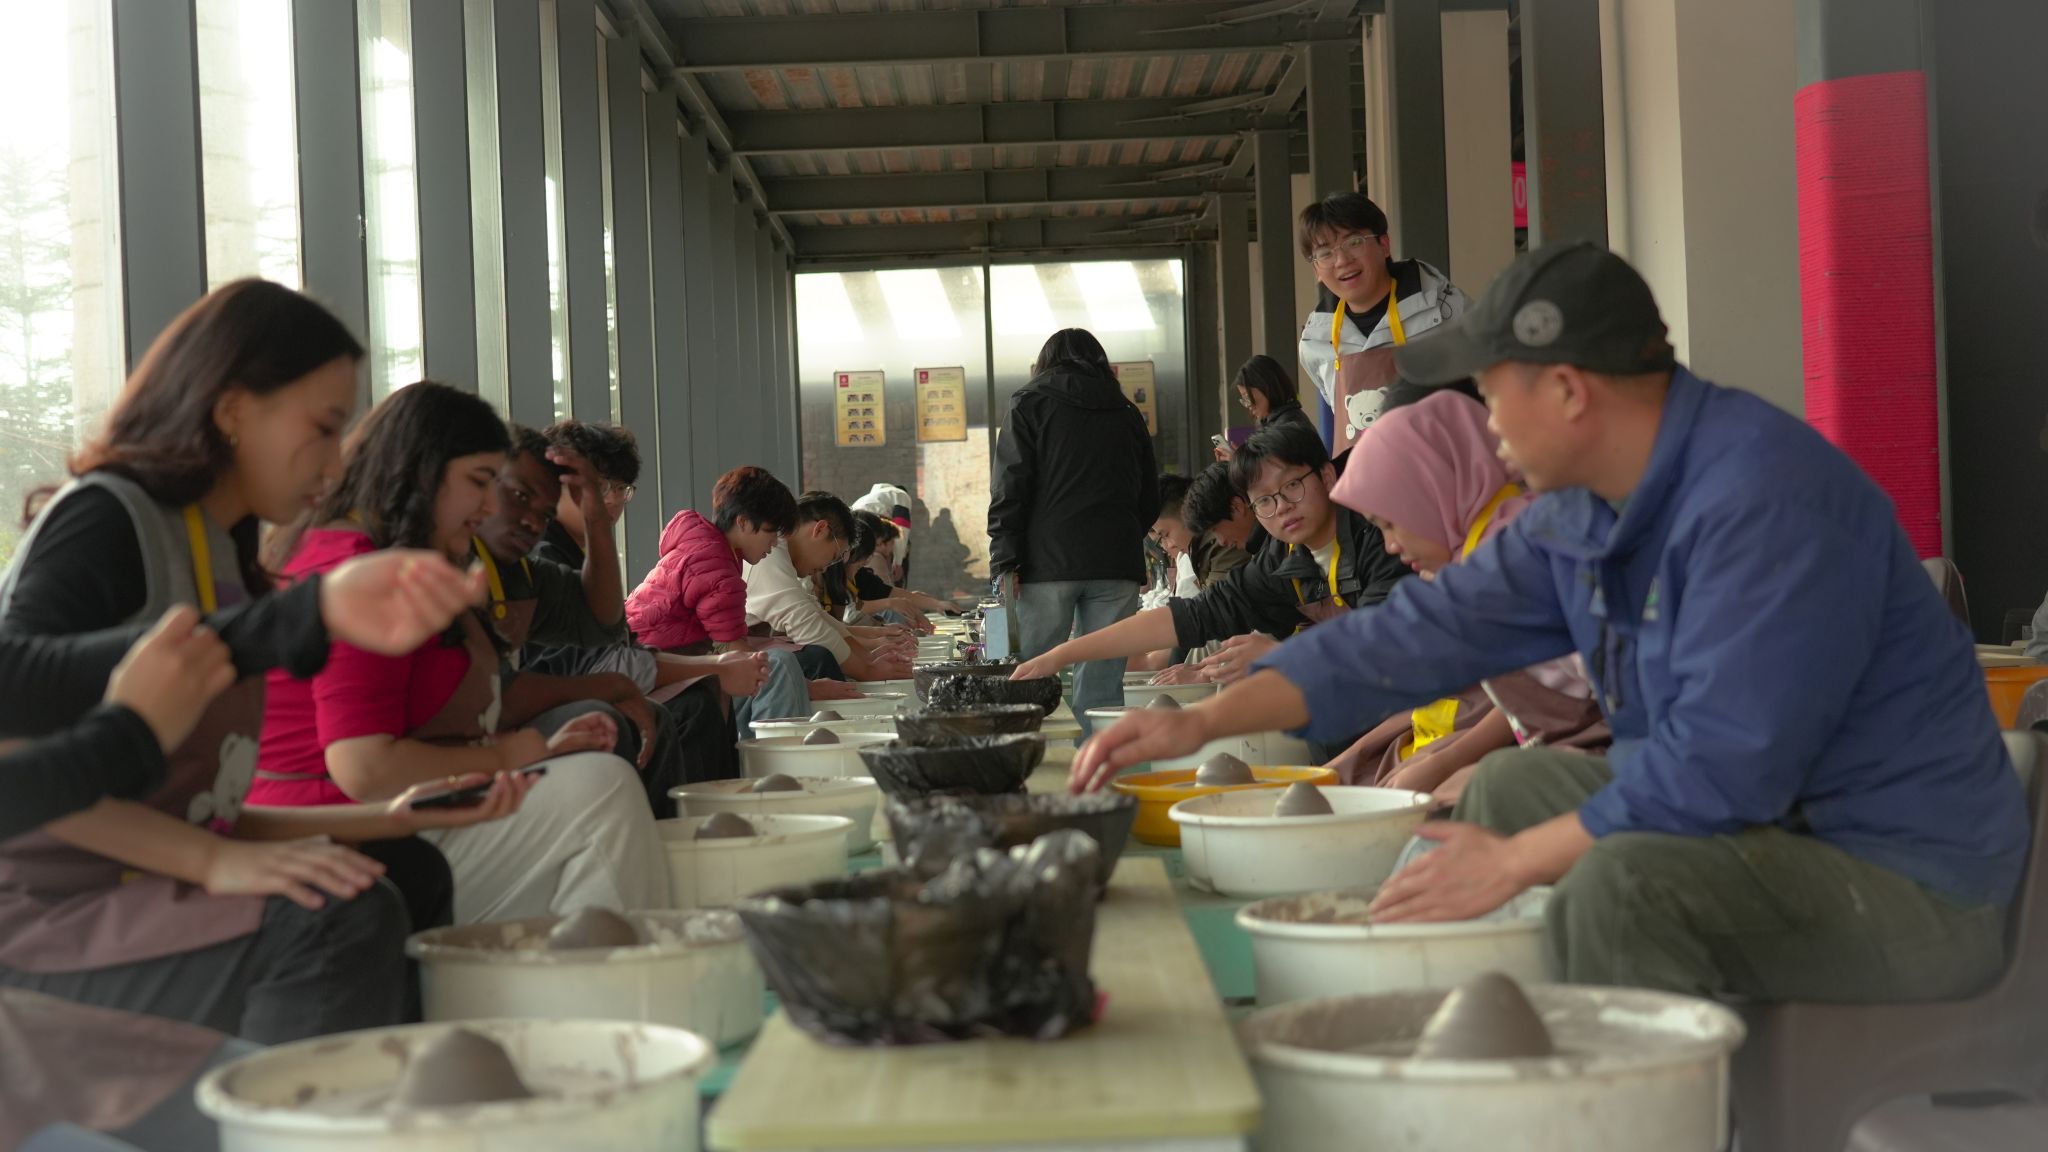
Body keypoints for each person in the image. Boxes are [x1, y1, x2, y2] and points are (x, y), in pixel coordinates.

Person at [1076, 242, 2028, 1004]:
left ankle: (1613, 1100)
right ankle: (1480, 1038)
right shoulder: (1584, 512)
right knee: (1513, 785)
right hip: (1766, 831)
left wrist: (1514, 864)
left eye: (1493, 393)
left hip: (1902, 879)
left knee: (1621, 883)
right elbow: (1416, 634)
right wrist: (1203, 723)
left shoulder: (1765, 502)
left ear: (1570, 392)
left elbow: (1726, 767)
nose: (1486, 424)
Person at [0, 281, 528, 1048]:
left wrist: (391, 815)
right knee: (338, 920)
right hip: (43, 916)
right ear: (231, 409)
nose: (335, 461)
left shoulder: (227, 550)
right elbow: (22, 761)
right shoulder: (106, 520)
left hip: (138, 884)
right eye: (322, 427)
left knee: (405, 867)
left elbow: (199, 808)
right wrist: (210, 860)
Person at [255, 382, 670, 924]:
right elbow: (364, 767)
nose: (488, 506)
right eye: (480, 483)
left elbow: (599, 621)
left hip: (383, 818)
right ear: (422, 473)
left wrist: (523, 750)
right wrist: (506, 756)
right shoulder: (358, 568)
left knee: (593, 780)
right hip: (340, 837)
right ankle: (625, 964)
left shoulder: (395, 558)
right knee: (600, 791)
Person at [1320, 389, 1607, 801]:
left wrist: (1463, 767)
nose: (1390, 546)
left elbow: (1622, 698)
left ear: (1435, 490)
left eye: (1391, 524)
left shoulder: (1518, 559)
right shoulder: (1466, 562)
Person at [1014, 421, 1408, 703]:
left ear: (1326, 476)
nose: (1282, 507)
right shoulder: (1279, 561)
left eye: (1291, 485)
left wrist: (1281, 657)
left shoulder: (1384, 538)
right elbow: (1189, 617)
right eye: (1264, 501)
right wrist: (1062, 654)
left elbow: (1385, 650)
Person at [989, 329, 1160, 727]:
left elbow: (1009, 488)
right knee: (1102, 685)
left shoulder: (1028, 403)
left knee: (1028, 676)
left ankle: (1023, 754)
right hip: (1116, 566)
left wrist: (1005, 559)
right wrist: (1122, 538)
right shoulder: (1126, 411)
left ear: (1046, 362)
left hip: (1046, 565)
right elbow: (1149, 494)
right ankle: (1099, 760)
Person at [629, 465, 814, 726]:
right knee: (778, 667)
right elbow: (736, 653)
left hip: (646, 665)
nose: (774, 543)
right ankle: (768, 750)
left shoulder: (701, 546)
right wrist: (811, 688)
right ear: (743, 522)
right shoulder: (716, 567)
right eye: (771, 532)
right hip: (656, 678)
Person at [1296, 192, 1468, 453]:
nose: (1342, 261)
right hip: (1367, 476)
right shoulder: (1315, 344)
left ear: (1384, 245)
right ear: (1316, 270)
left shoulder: (1445, 310)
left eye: (1353, 242)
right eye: (1326, 253)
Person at [745, 490, 914, 683]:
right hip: (734, 664)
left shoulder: (785, 554)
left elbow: (818, 616)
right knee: (818, 658)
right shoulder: (771, 553)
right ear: (820, 530)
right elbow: (807, 624)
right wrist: (868, 670)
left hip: (754, 648)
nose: (826, 567)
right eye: (834, 557)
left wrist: (869, 659)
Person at [1215, 354, 1318, 462]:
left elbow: (1274, 469)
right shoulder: (1276, 423)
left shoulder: (1289, 428)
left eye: (1248, 397)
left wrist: (1239, 462)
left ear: (1267, 387)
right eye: (1244, 400)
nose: (1248, 405)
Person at [1182, 462, 1267, 558]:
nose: (1222, 542)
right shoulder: (1263, 550)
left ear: (1236, 507)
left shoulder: (1276, 548)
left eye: (1215, 529)